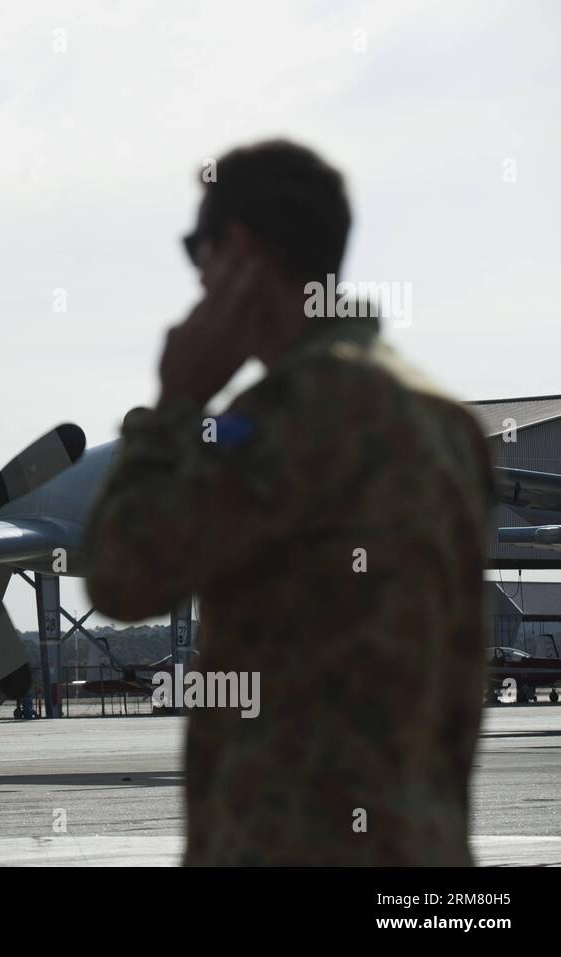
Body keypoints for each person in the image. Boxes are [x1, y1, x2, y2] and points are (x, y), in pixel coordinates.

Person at [85, 140, 495, 865]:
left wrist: (174, 402)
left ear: (239, 250)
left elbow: (123, 573)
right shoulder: (447, 420)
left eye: (196, 249)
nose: (197, 275)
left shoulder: (289, 413)